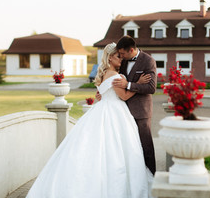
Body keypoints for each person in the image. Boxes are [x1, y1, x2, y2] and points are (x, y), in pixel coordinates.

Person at [26, 42, 151, 198]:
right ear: (110, 58)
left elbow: (102, 93)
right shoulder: (114, 75)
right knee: (118, 149)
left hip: (103, 109)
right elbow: (124, 96)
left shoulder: (105, 73)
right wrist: (137, 84)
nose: (121, 59)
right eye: (118, 56)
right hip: (115, 111)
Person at [112, 36, 157, 176]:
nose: (121, 57)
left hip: (141, 112)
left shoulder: (148, 61)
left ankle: (151, 177)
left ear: (131, 50)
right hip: (123, 110)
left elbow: (151, 88)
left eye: (123, 54)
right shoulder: (123, 62)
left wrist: (129, 85)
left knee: (146, 145)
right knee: (130, 146)